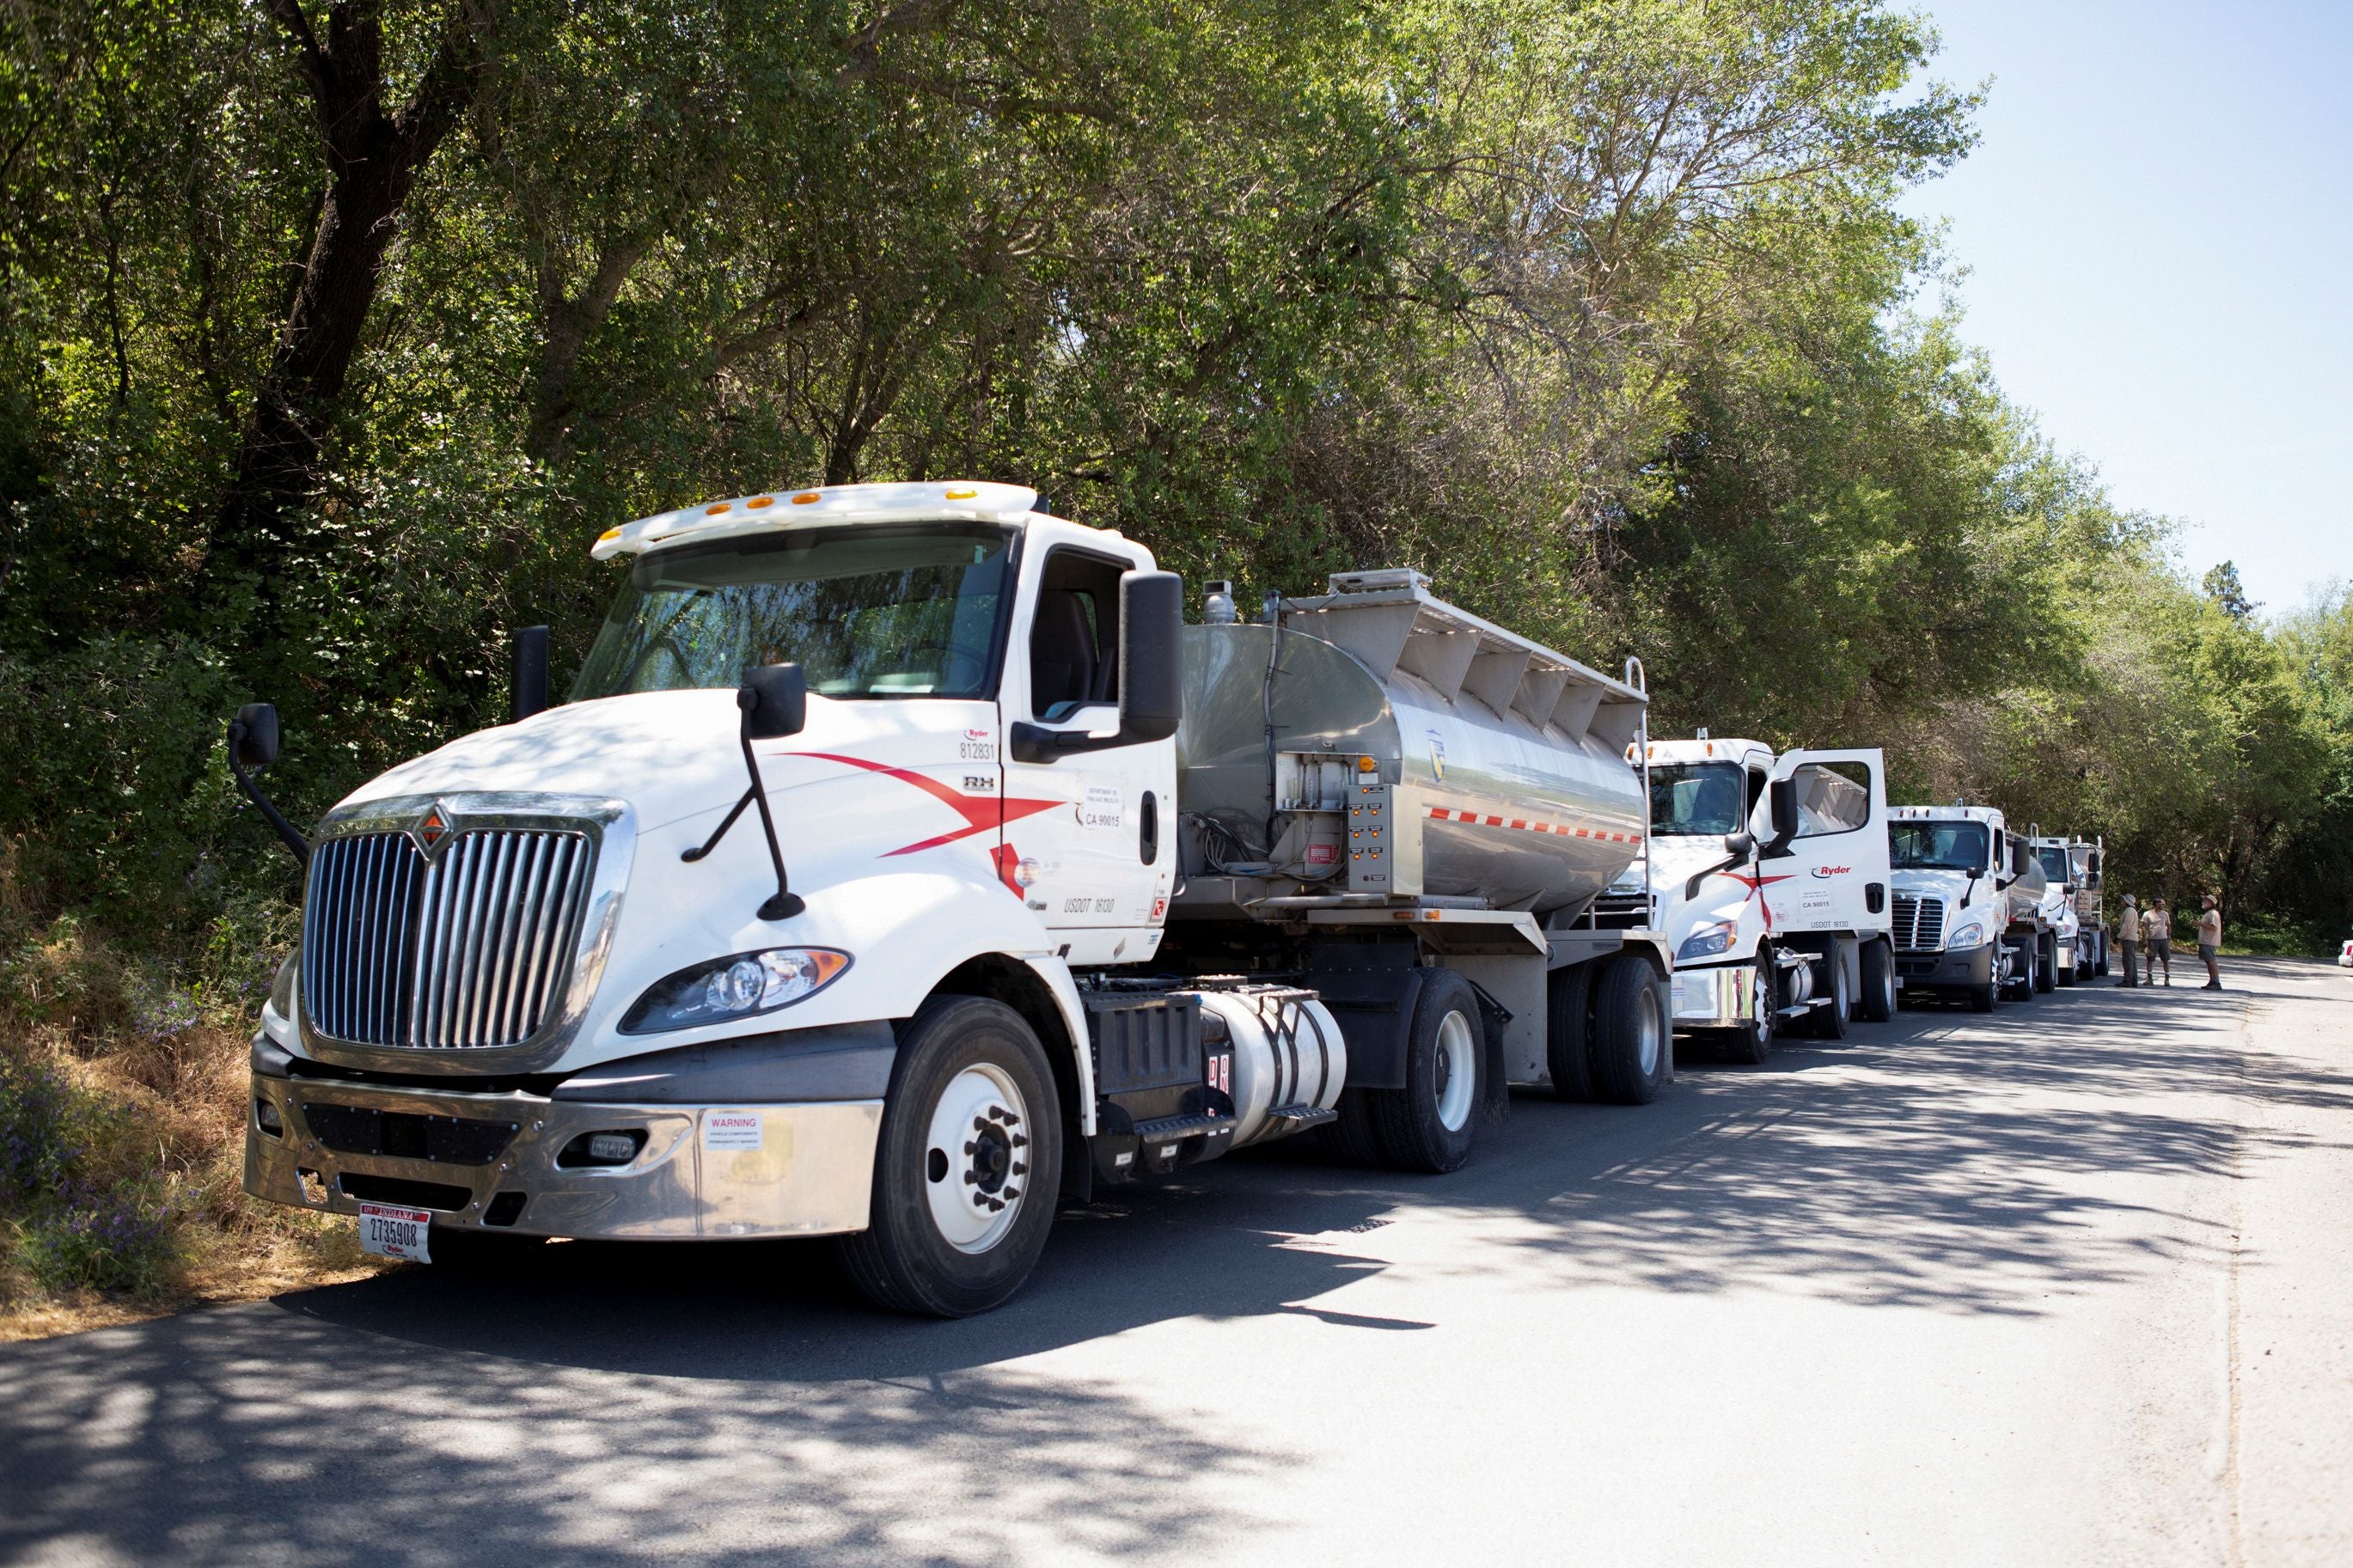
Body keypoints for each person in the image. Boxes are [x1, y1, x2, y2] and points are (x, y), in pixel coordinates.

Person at [2143, 899, 2173, 986]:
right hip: (2152, 940)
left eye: (2164, 904)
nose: (2163, 905)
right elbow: (2144, 927)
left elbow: (2168, 925)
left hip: (2163, 940)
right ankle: (2149, 979)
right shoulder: (2147, 914)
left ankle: (2167, 979)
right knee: (2150, 960)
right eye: (2162, 904)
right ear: (2156, 904)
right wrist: (2145, 939)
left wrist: (2169, 935)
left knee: (2166, 959)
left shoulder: (2165, 914)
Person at [2197, 897, 2223, 990]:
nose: (2203, 902)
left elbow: (2213, 928)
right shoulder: (2209, 913)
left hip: (2210, 941)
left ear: (2210, 903)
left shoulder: (2214, 913)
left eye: (2205, 901)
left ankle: (2216, 982)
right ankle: (2212, 981)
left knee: (2212, 961)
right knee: (2208, 961)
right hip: (2205, 941)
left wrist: (2198, 924)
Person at [2116, 894, 2141, 987]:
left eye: (2123, 900)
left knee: (2128, 960)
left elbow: (2126, 926)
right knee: (2132, 960)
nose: (2121, 902)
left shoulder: (2129, 911)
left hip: (2129, 939)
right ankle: (2133, 980)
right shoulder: (2132, 911)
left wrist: (2119, 936)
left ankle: (2128, 981)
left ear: (2126, 901)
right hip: (2132, 939)